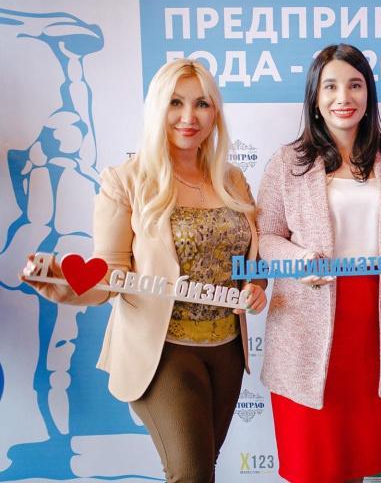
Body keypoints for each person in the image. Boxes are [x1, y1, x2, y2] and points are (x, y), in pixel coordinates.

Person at [21, 58, 267, 482]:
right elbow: (109, 275)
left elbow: (250, 260)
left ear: (215, 113)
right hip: (162, 351)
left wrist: (256, 286)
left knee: (201, 469)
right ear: (156, 108)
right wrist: (66, 287)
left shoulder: (233, 179)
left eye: (202, 104)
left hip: (227, 351)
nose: (189, 117)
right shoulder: (126, 181)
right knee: (191, 474)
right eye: (175, 103)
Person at [256, 43, 381, 483]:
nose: (343, 97)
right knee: (311, 466)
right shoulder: (287, 163)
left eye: (355, 85)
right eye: (330, 86)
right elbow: (265, 238)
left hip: (372, 328)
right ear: (315, 98)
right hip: (305, 330)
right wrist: (299, 260)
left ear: (368, 93)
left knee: (356, 465)